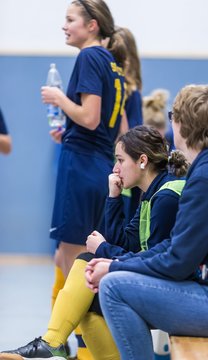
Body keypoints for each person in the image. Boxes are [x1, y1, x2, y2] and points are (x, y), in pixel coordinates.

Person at [0, 125, 188, 360]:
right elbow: (126, 241)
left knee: (90, 270)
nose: (115, 168)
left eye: (120, 160)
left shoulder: (167, 197)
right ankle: (51, 343)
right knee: (89, 292)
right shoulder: (152, 192)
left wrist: (103, 250)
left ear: (142, 160)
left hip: (176, 293)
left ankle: (50, 343)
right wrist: (114, 197)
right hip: (159, 282)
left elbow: (156, 262)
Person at [83, 84, 208, 360]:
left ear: (183, 125)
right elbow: (174, 245)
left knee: (114, 287)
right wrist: (115, 263)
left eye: (172, 117)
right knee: (115, 279)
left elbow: (177, 262)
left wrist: (115, 266)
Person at [42, 1, 127, 358]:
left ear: (92, 25)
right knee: (69, 252)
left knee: (76, 260)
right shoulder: (111, 62)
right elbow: (110, 126)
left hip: (81, 166)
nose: (64, 25)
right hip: (96, 162)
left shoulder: (90, 58)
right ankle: (64, 341)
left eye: (70, 19)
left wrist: (60, 99)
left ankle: (71, 345)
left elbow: (91, 118)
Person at [114, 27, 143, 226]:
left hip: (123, 170)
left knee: (121, 226)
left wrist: (118, 107)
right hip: (113, 165)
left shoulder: (131, 94)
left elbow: (129, 138)